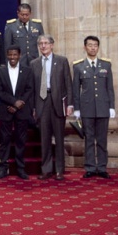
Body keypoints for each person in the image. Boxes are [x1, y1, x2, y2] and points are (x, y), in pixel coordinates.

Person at [30, 35, 73, 181]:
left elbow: (68, 84)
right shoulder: (34, 63)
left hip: (58, 102)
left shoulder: (61, 61)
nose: (43, 46)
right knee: (45, 138)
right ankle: (46, 169)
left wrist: (70, 104)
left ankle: (60, 170)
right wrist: (33, 107)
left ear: (52, 45)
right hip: (41, 102)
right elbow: (32, 88)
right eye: (40, 44)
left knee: (59, 139)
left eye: (46, 43)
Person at [72, 35, 115, 179]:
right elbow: (75, 89)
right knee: (89, 139)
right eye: (90, 45)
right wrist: (77, 108)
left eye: (95, 45)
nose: (92, 48)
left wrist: (111, 106)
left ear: (98, 47)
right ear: (85, 47)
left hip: (103, 108)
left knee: (102, 140)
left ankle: (102, 167)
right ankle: (90, 167)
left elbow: (109, 88)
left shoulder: (106, 65)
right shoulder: (78, 66)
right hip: (87, 109)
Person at [0, 45, 34, 180]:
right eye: (10, 55)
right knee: (4, 140)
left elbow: (29, 89)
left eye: (15, 55)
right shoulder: (0, 71)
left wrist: (17, 105)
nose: (12, 57)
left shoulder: (27, 71)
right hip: (6, 110)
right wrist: (13, 102)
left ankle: (20, 168)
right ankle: (3, 168)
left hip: (22, 111)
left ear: (20, 55)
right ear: (7, 55)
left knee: (20, 140)